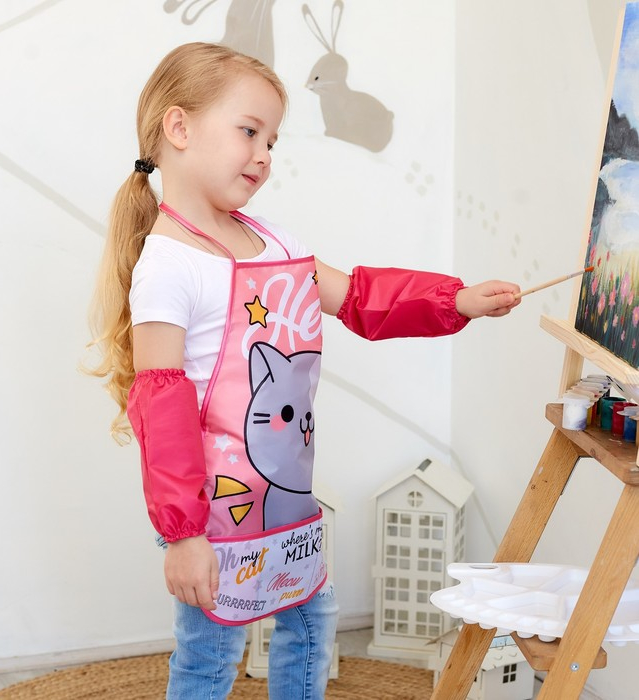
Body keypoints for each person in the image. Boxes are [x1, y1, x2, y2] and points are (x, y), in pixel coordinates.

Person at [89, 41, 520, 700]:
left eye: (272, 139)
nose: (264, 154)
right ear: (179, 128)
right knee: (212, 653)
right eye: (249, 131)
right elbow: (162, 404)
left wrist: (454, 300)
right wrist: (183, 536)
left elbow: (360, 297)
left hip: (287, 499)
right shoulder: (168, 266)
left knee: (312, 620)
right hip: (215, 512)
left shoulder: (277, 244)